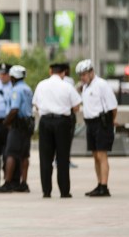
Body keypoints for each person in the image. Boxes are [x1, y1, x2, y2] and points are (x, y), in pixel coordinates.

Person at [33, 62, 82, 198]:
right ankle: (64, 191)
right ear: (63, 73)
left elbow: (36, 105)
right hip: (62, 122)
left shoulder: (41, 85)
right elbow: (77, 107)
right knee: (63, 157)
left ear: (50, 71)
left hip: (45, 122)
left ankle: (46, 191)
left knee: (45, 158)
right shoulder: (67, 86)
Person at [76, 59, 118, 197]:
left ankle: (104, 186)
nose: (82, 77)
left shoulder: (101, 85)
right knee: (95, 156)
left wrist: (110, 122)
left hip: (102, 122)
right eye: (80, 75)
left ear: (91, 72)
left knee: (102, 155)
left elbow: (113, 106)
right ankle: (99, 183)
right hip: (90, 123)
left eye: (84, 74)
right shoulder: (86, 87)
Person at [0, 66, 34, 193]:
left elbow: (14, 109)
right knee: (24, 155)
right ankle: (24, 183)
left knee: (10, 154)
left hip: (17, 125)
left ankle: (7, 182)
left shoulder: (16, 90)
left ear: (13, 77)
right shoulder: (27, 88)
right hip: (28, 125)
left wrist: (5, 122)